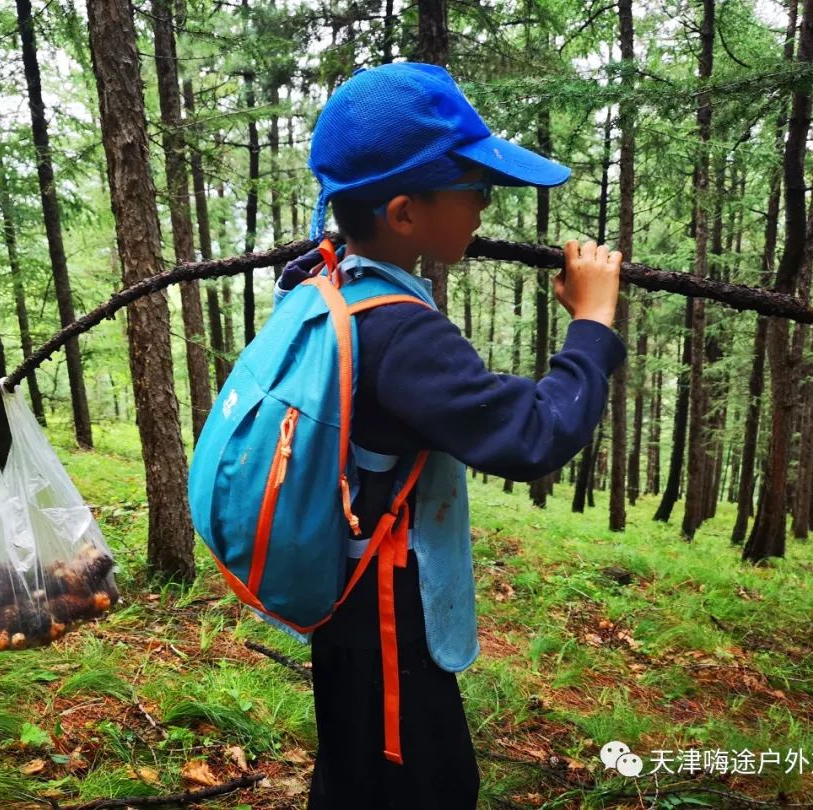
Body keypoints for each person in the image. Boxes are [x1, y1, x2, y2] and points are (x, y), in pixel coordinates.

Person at [274, 62, 626, 810]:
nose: (484, 208)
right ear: (404, 214)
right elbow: (532, 435)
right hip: (384, 609)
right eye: (476, 190)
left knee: (353, 761)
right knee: (425, 783)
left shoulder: (325, 277)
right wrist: (592, 325)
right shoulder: (401, 333)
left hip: (342, 581)